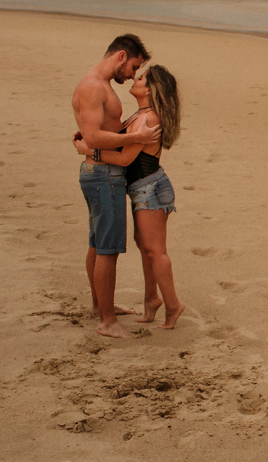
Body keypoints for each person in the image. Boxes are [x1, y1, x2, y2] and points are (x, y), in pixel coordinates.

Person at [75, 64, 185, 330]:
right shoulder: (142, 114)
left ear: (151, 89)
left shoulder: (149, 119)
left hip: (151, 189)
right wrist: (90, 138)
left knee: (155, 251)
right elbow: (115, 139)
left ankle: (173, 306)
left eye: (142, 77)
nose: (136, 78)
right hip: (143, 189)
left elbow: (125, 158)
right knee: (145, 248)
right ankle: (151, 301)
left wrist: (89, 153)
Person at [72, 34, 161, 339]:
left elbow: (91, 135)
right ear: (121, 56)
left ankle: (100, 307)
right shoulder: (93, 86)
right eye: (134, 66)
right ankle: (106, 321)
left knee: (98, 244)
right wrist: (134, 138)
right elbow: (94, 137)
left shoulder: (100, 86)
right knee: (108, 249)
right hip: (103, 176)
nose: (133, 74)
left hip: (100, 173)